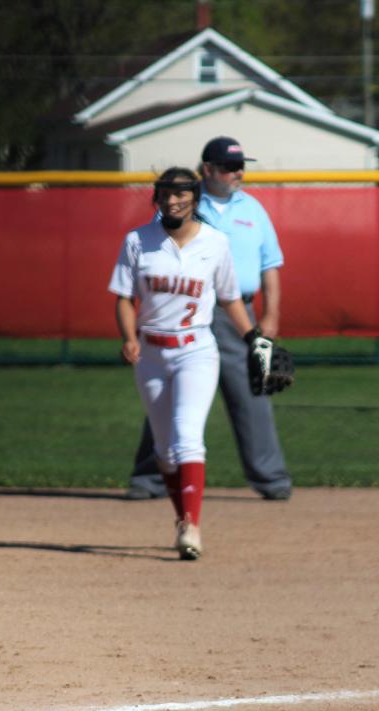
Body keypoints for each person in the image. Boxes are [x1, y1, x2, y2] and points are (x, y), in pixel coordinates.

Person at [126, 136, 292, 502]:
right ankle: (150, 477)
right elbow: (155, 255)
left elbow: (270, 265)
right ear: (207, 170)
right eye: (229, 167)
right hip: (185, 308)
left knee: (252, 390)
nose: (238, 173)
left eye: (240, 166)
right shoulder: (181, 203)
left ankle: (270, 477)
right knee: (166, 393)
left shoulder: (252, 209)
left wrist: (271, 315)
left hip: (237, 311)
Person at [110, 167, 256, 560]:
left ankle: (192, 526)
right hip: (151, 353)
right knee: (163, 449)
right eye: (166, 194)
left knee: (186, 436)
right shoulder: (139, 241)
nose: (173, 201)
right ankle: (182, 519)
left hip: (196, 349)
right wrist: (128, 337)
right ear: (156, 197)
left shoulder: (215, 242)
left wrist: (253, 338)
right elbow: (124, 296)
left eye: (181, 194)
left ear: (195, 198)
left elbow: (229, 299)